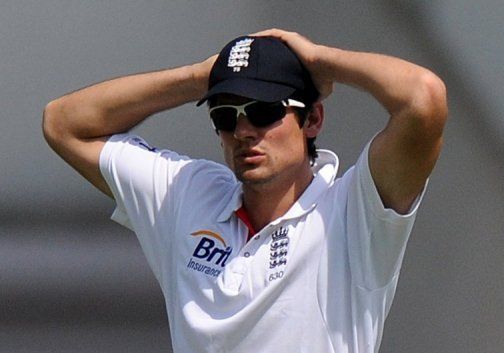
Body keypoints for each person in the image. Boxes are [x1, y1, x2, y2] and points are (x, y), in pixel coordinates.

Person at [43, 29, 447, 353]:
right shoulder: (188, 193)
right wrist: (199, 77)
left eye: (264, 110)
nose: (243, 131)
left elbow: (422, 98)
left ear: (313, 119)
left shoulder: (354, 213)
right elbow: (63, 123)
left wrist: (320, 61)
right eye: (225, 115)